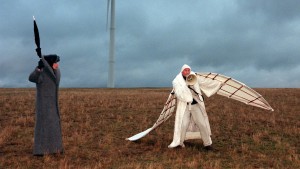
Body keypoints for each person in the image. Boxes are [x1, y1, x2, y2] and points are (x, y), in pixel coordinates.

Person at [168, 64, 223, 150]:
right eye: (185, 70)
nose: (187, 72)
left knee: (202, 123)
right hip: (184, 106)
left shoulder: (193, 77)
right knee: (183, 124)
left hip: (195, 105)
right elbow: (178, 93)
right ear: (182, 71)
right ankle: (179, 143)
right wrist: (186, 88)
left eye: (188, 70)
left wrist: (218, 83)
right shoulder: (176, 81)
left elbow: (205, 82)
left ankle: (207, 144)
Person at [29, 54, 63, 156]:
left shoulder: (56, 72)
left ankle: (55, 148)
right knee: (43, 128)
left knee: (53, 127)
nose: (57, 64)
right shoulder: (42, 73)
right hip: (43, 105)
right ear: (50, 63)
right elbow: (31, 78)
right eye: (55, 62)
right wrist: (38, 69)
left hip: (53, 104)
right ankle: (40, 150)